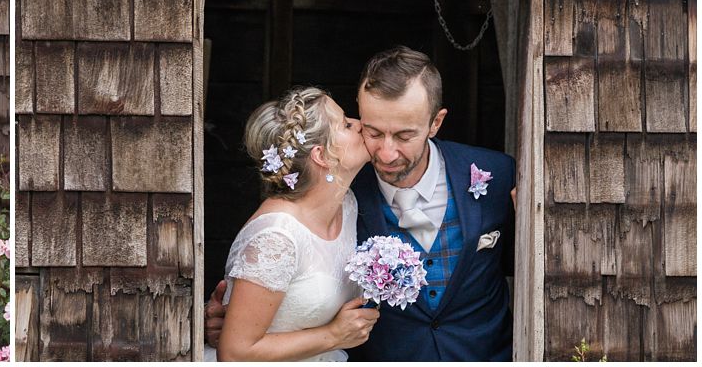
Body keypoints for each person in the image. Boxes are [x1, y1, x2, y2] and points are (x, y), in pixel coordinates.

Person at [207, 49, 516, 362]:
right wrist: (232, 321)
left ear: (436, 122)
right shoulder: (341, 191)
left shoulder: (499, 175)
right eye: (372, 131)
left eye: (404, 135)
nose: (386, 152)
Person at [205, 87, 380, 361]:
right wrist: (334, 335)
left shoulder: (347, 205)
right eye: (346, 124)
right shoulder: (276, 236)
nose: (361, 125)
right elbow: (234, 353)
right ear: (322, 156)